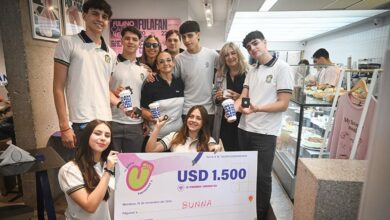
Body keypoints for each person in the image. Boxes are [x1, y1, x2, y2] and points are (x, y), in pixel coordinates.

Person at [234, 30, 293, 219]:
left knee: (262, 177)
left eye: (255, 43)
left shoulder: (282, 68)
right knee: (247, 174)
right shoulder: (253, 70)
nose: (252, 48)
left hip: (265, 133)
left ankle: (260, 214)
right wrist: (232, 108)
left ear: (265, 42)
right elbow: (244, 97)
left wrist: (257, 108)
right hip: (244, 129)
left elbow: (283, 104)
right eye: (249, 47)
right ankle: (246, 210)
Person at [53, 0, 115, 151]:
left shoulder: (111, 54)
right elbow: (58, 87)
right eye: (95, 13)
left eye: (104, 16)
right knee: (82, 171)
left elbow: (105, 89)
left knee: (102, 169)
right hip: (82, 121)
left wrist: (120, 104)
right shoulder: (68, 42)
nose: (100, 19)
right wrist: (64, 126)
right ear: (85, 15)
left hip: (106, 121)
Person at [58, 120, 118, 220]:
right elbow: (90, 207)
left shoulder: (112, 164)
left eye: (107, 136)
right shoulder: (69, 170)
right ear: (87, 137)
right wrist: (108, 171)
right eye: (97, 133)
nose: (103, 138)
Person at [175, 20, 219, 132]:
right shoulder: (179, 59)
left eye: (190, 36)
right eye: (183, 37)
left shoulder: (212, 55)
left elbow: (225, 72)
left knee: (206, 145)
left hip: (208, 109)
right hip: (187, 109)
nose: (186, 40)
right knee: (188, 146)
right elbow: (174, 82)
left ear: (198, 35)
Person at [110, 26, 148, 153]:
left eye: (134, 39)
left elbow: (145, 98)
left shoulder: (144, 70)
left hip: (135, 123)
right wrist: (113, 92)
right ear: (121, 41)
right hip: (112, 120)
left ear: (139, 43)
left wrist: (146, 120)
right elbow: (101, 89)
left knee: (132, 165)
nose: (130, 42)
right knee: (111, 163)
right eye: (127, 38)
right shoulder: (111, 63)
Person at [212, 42, 249, 151]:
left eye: (233, 53)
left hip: (244, 120)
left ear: (238, 54)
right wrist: (217, 98)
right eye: (226, 55)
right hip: (225, 120)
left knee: (242, 151)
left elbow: (255, 100)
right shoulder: (220, 74)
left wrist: (239, 98)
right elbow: (214, 95)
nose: (230, 57)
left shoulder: (249, 72)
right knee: (229, 151)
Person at [141, 51, 184, 142]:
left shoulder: (180, 82)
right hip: (156, 137)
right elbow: (143, 109)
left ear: (173, 63)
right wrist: (151, 117)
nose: (166, 63)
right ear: (157, 66)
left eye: (168, 60)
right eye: (161, 62)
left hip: (177, 137)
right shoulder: (150, 84)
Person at [145, 105, 222, 152]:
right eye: (191, 116)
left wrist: (215, 148)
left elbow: (213, 147)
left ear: (203, 123)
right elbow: (150, 150)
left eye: (198, 118)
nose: (193, 120)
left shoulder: (208, 140)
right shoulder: (174, 136)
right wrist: (157, 128)